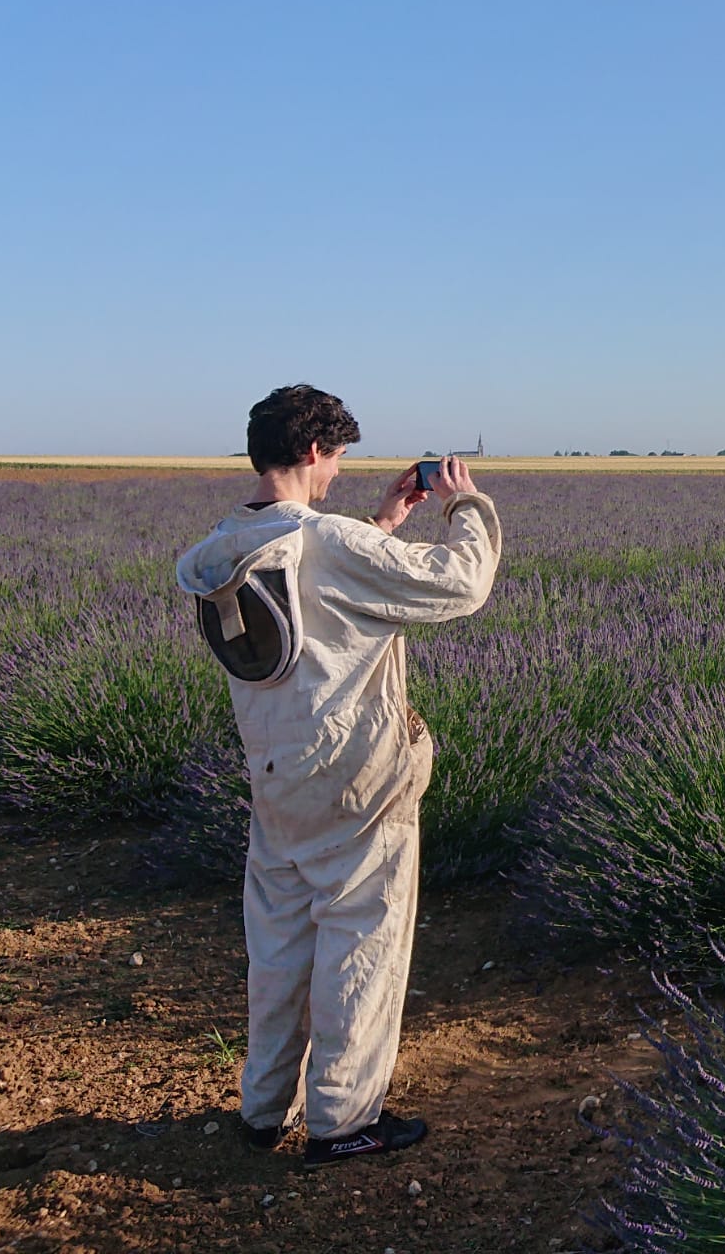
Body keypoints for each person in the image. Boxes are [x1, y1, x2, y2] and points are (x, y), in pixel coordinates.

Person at [174, 385, 501, 1166]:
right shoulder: (327, 541)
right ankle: (343, 1120)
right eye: (336, 460)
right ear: (314, 451)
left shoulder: (222, 548)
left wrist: (382, 524)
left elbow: (311, 595)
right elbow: (462, 585)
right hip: (355, 780)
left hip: (275, 778)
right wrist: (466, 508)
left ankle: (263, 1111)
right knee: (361, 942)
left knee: (279, 949)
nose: (335, 476)